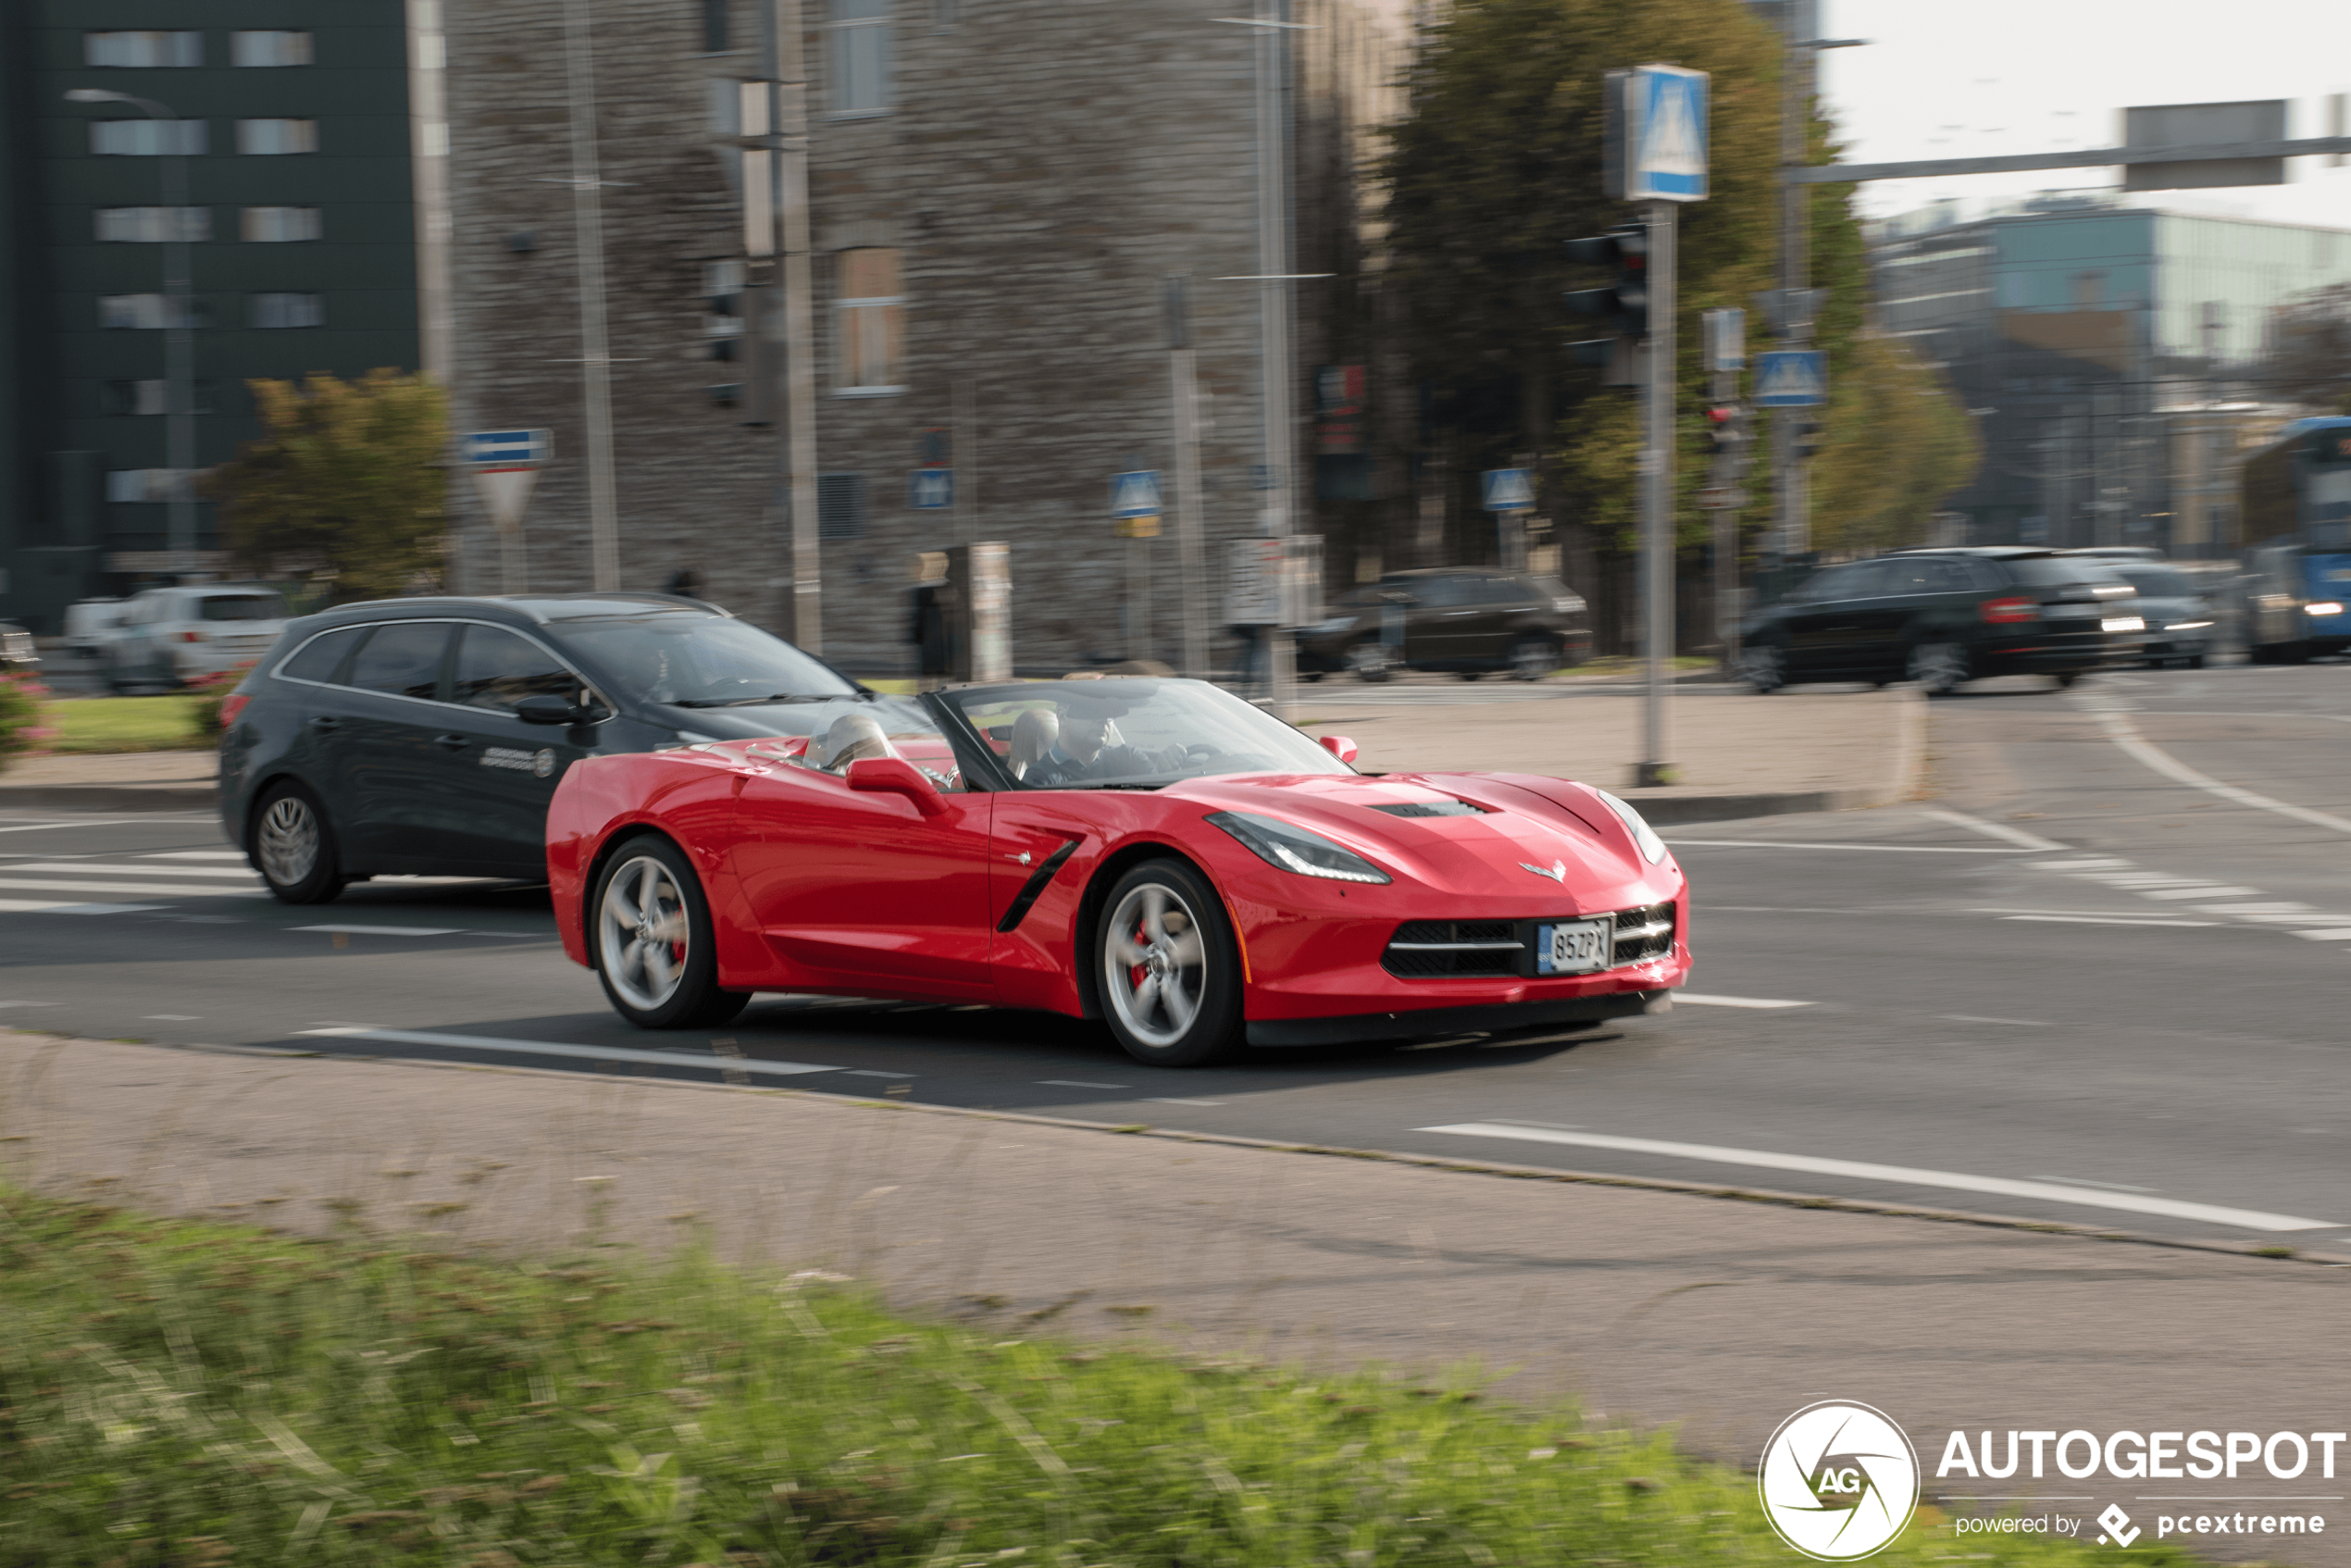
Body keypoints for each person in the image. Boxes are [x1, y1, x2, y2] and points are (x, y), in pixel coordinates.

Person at [1020, 697, 1186, 787]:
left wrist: (1162, 774)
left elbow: (1155, 802)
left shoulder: (1127, 757)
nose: (1104, 719)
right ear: (1062, 716)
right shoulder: (1039, 779)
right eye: (1092, 710)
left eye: (1110, 712)